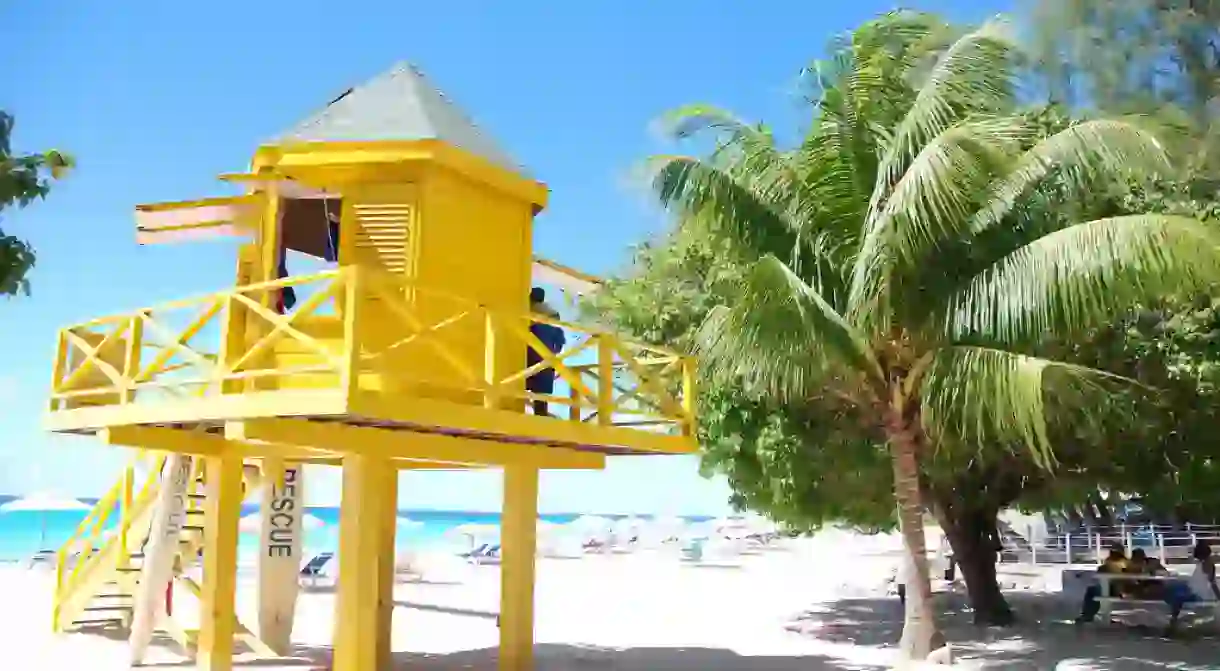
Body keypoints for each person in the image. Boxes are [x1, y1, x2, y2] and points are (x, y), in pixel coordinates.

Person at [1164, 541, 1220, 636]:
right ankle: (1172, 620)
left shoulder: (1207, 564)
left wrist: (1218, 596)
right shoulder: (1204, 563)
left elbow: (1211, 582)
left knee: (1177, 596)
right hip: (1193, 589)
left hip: (1198, 593)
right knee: (1173, 589)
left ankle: (1173, 622)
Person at [526, 287, 565, 417]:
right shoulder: (552, 315)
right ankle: (540, 413)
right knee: (541, 392)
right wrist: (553, 354)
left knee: (522, 384)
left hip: (529, 357)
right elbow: (559, 342)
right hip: (546, 359)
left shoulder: (527, 309)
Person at [1076, 544, 1128, 623]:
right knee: (1093, 590)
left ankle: (1088, 615)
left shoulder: (1121, 562)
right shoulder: (1119, 561)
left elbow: (1104, 571)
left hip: (1115, 589)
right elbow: (1101, 571)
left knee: (1094, 591)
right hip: (1111, 586)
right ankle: (1088, 615)